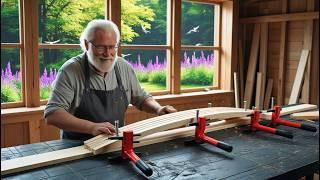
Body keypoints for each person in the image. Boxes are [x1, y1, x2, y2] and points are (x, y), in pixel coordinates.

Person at [44, 19, 177, 141]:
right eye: (101, 47)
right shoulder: (70, 70)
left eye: (112, 47)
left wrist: (158, 109)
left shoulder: (123, 66)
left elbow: (141, 98)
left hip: (113, 143)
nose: (108, 54)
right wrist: (91, 127)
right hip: (77, 147)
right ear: (86, 44)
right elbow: (53, 114)